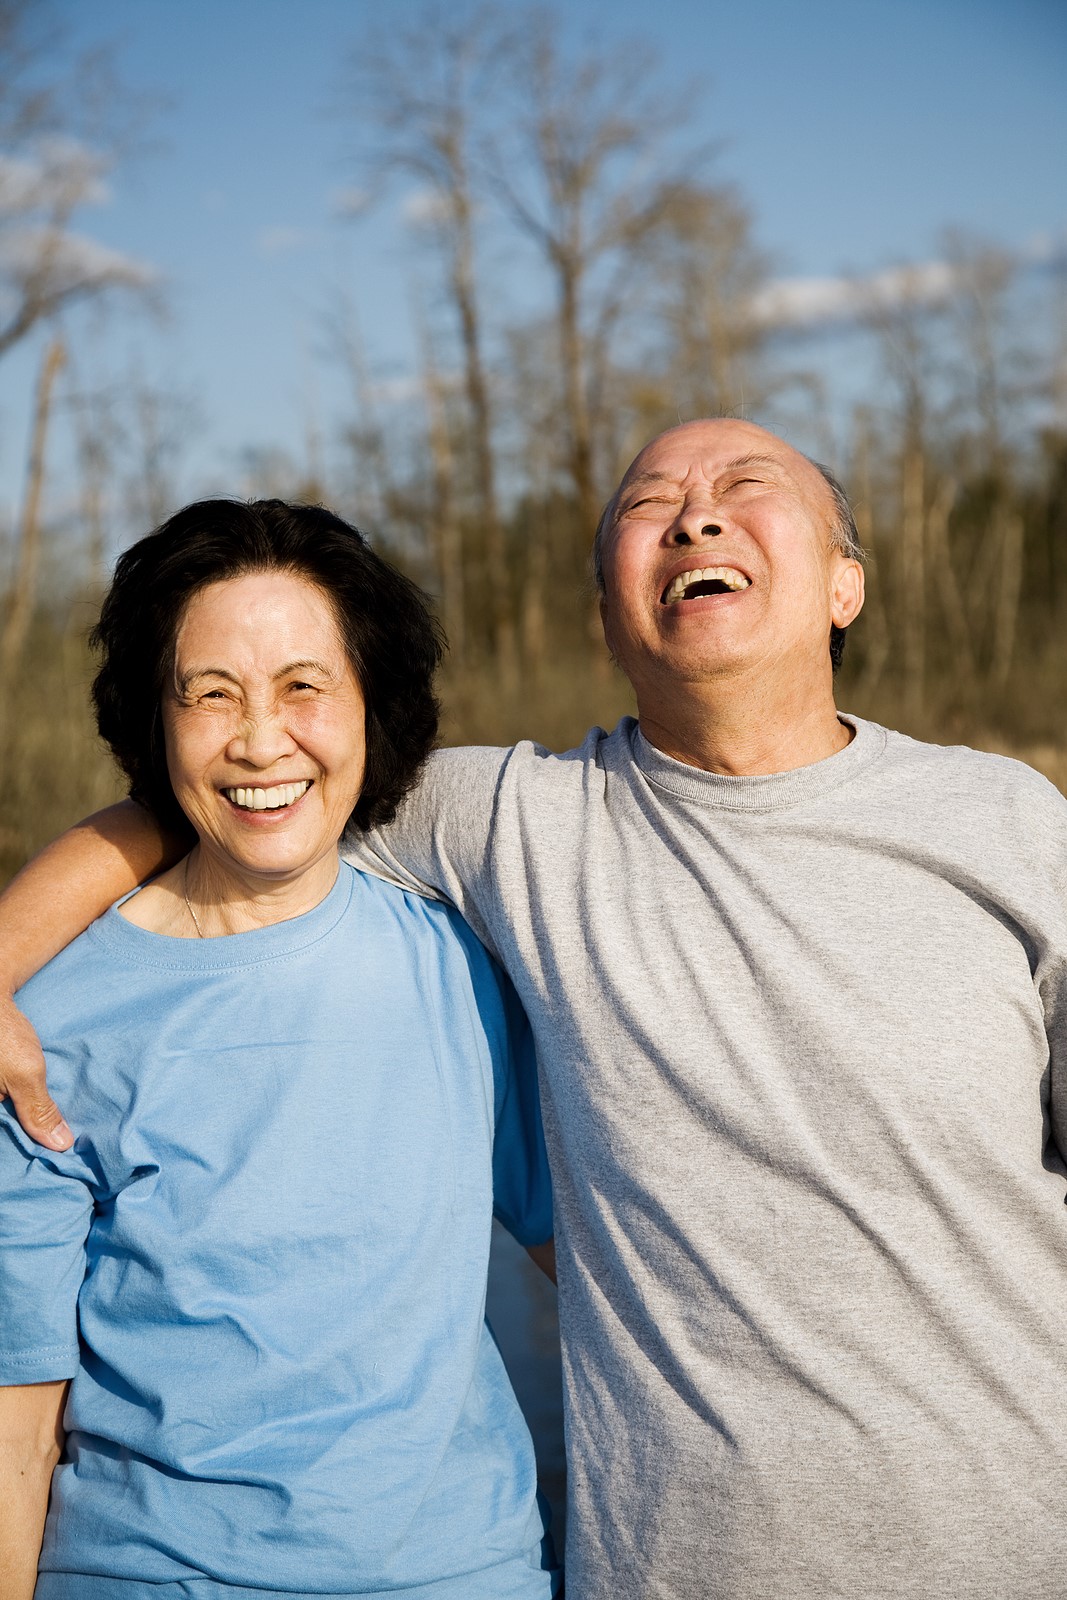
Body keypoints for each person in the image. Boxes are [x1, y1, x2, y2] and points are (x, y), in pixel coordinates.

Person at [1, 418, 1066, 1599]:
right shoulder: (506, 825)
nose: (695, 514)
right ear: (609, 612)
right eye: (646, 502)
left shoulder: (1008, 819)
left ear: (844, 584)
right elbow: (244, 785)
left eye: (742, 487)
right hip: (668, 1574)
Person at [0, 499, 560, 1600]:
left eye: (304, 686)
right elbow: (16, 1427)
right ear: (156, 728)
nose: (260, 740)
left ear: (370, 708)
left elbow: (593, 1267)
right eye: (211, 695)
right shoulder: (43, 1027)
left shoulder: (463, 961)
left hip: (462, 1573)